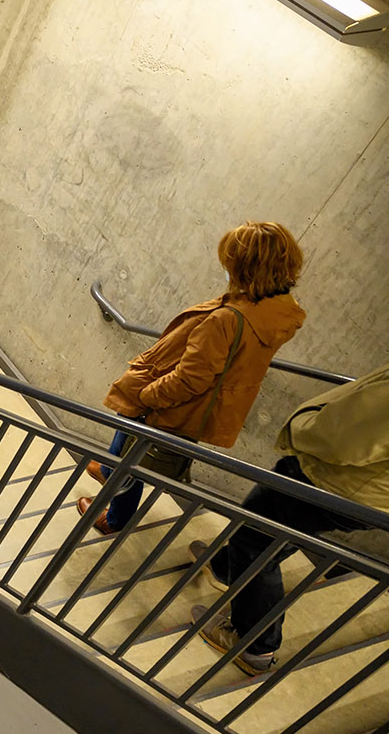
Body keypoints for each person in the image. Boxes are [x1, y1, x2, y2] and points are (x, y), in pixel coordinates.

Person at [74, 221, 306, 533]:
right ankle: (108, 469)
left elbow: (190, 379)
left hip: (172, 405)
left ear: (245, 269)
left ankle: (114, 518)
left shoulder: (226, 319)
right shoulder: (278, 310)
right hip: (203, 406)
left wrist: (146, 395)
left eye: (231, 260)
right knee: (128, 441)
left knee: (138, 454)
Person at [189, 360, 388, 675]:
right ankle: (226, 568)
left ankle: (255, 646)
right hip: (360, 490)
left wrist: (300, 422)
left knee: (254, 544)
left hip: (330, 482)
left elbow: (342, 439)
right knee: (272, 534)